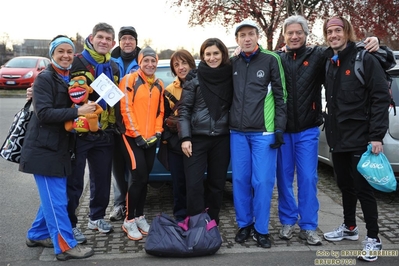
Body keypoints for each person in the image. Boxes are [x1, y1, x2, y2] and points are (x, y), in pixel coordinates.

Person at [275, 15, 380, 246]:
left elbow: (348, 51)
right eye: (290, 33)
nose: (294, 36)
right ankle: (287, 220)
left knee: (308, 179)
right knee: (283, 179)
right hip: (283, 132)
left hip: (308, 130)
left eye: (298, 33)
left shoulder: (319, 55)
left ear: (306, 35)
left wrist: (373, 42)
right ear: (284, 36)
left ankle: (309, 226)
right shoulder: (277, 59)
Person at [19, 35, 94, 260]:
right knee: (57, 200)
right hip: (43, 150)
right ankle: (66, 245)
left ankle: (37, 233)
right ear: (52, 53)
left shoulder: (68, 78)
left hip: (60, 149)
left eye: (69, 52)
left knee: (53, 198)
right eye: (60, 51)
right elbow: (43, 113)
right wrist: (77, 112)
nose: (65, 55)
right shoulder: (45, 78)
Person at [322, 16, 389, 262]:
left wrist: (376, 136)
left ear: (347, 32)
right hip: (338, 137)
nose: (334, 35)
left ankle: (374, 238)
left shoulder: (364, 58)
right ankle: (350, 227)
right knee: (344, 185)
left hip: (361, 137)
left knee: (364, 188)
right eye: (329, 31)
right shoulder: (330, 60)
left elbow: (380, 98)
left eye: (338, 30)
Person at [229, 20, 287, 249]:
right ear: (237, 40)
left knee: (262, 181)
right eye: (242, 35)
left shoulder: (271, 59)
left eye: (250, 34)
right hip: (237, 132)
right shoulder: (233, 62)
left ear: (257, 36)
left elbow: (281, 96)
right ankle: (244, 224)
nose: (246, 38)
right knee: (241, 180)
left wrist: (279, 128)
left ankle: (261, 229)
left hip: (264, 132)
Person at [67, 22, 120, 244]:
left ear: (113, 43)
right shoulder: (76, 61)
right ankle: (69, 225)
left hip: (104, 131)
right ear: (92, 37)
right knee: (75, 181)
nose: (104, 42)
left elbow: (114, 100)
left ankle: (96, 218)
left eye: (108, 39)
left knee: (101, 179)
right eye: (100, 37)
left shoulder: (114, 67)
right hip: (79, 132)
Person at [178, 38, 233, 225]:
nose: (212, 57)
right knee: (194, 185)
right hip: (196, 139)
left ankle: (212, 222)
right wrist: (185, 137)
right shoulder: (194, 78)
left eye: (216, 53)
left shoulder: (231, 75)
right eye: (207, 54)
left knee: (217, 185)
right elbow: (184, 109)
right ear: (202, 56)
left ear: (223, 54)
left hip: (222, 139)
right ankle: (195, 222)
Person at [118, 46, 164, 241]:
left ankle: (139, 216)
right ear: (140, 62)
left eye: (153, 61)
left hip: (150, 139)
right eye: (146, 61)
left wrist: (157, 132)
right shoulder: (129, 80)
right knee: (137, 178)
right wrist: (137, 135)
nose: (150, 64)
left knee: (145, 178)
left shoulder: (159, 84)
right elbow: (126, 108)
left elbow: (160, 112)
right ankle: (128, 220)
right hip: (130, 137)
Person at [109, 26, 141, 222]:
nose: (127, 42)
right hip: (113, 123)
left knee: (134, 168)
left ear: (136, 42)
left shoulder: (143, 62)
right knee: (117, 168)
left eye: (131, 38)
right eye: (124, 39)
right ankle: (119, 205)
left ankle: (133, 205)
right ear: (119, 42)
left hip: (135, 123)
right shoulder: (109, 62)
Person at [162, 49, 196, 222]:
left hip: (197, 142)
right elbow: (164, 118)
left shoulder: (202, 84)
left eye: (184, 63)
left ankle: (196, 216)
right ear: (173, 69)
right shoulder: (168, 90)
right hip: (176, 145)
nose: (181, 67)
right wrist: (173, 141)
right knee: (178, 184)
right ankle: (181, 217)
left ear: (191, 63)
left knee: (194, 183)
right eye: (176, 65)